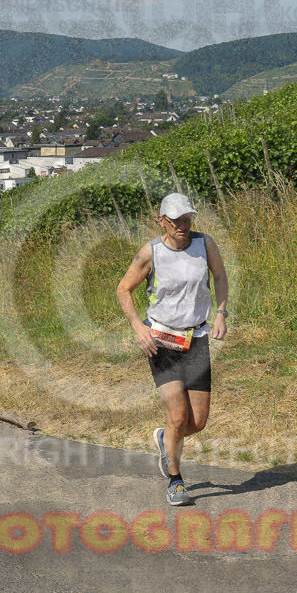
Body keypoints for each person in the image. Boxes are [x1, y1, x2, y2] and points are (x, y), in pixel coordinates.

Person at [116, 193, 228, 507]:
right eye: (175, 220)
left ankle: (166, 441)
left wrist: (220, 312)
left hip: (196, 339)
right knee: (178, 417)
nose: (182, 225)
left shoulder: (204, 245)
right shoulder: (150, 252)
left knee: (199, 421)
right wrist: (139, 327)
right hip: (161, 341)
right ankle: (175, 480)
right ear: (161, 220)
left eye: (187, 219)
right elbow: (123, 289)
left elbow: (219, 276)